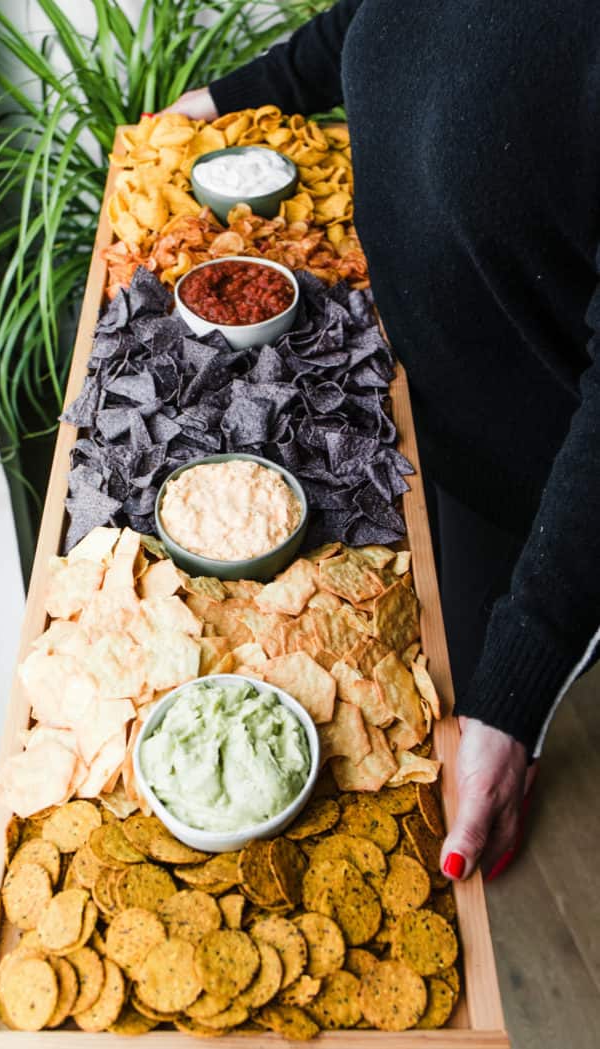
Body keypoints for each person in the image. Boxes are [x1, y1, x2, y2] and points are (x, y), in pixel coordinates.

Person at [165, 0, 600, 882]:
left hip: (567, 513)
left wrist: (522, 687)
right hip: (447, 454)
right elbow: (375, 22)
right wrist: (228, 98)